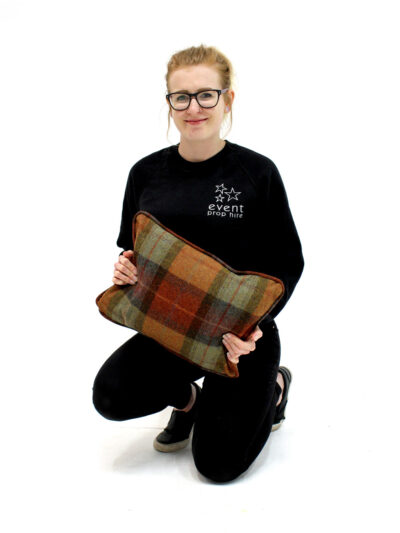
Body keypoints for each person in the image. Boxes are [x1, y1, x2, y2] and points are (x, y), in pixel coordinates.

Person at [92, 44, 304, 483]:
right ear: (169, 102)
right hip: (173, 329)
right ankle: (191, 403)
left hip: (238, 339)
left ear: (228, 99)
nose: (193, 108)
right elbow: (132, 250)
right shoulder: (145, 173)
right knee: (110, 395)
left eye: (206, 95)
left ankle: (275, 388)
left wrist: (255, 327)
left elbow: (288, 261)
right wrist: (125, 270)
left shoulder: (257, 173)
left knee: (218, 466)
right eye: (181, 97)